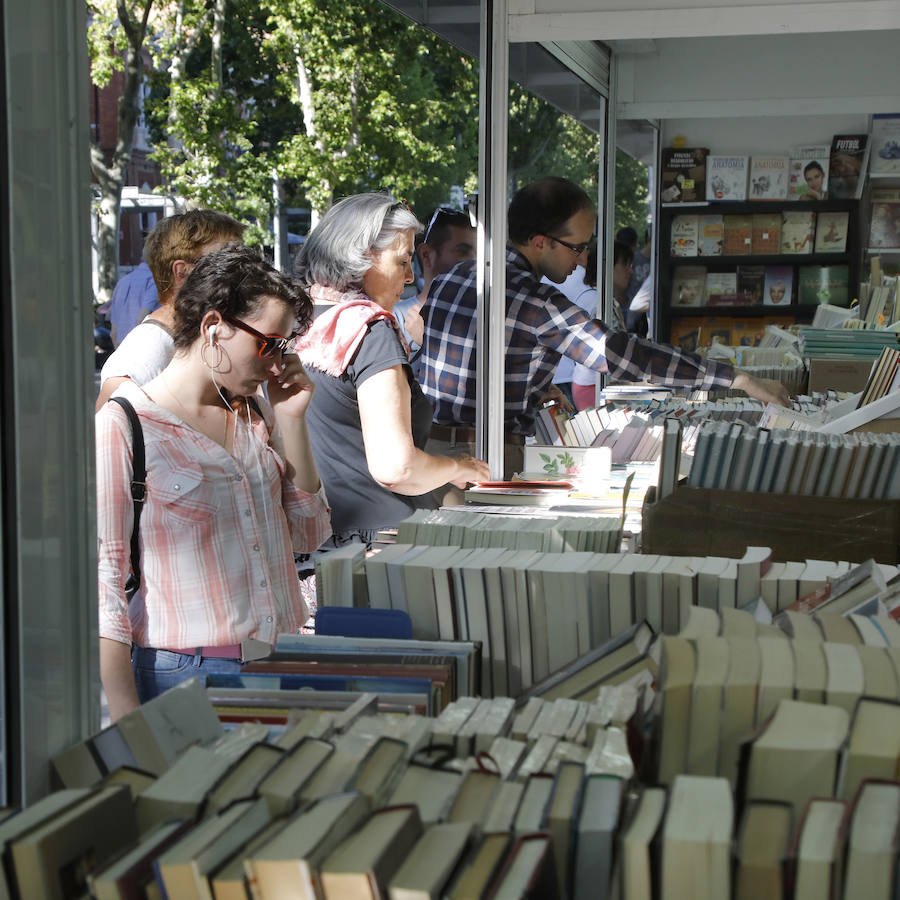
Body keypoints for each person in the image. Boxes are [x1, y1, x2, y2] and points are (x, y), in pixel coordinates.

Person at [97, 246, 331, 721]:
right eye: (268, 344)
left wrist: (293, 420)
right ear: (213, 327)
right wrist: (126, 718)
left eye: (284, 349)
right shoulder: (125, 424)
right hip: (186, 673)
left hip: (279, 658)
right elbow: (104, 584)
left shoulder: (254, 414)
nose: (275, 364)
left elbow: (309, 535)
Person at [420, 176, 791, 473]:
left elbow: (454, 364)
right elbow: (626, 355)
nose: (582, 262)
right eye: (577, 248)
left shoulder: (453, 278)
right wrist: (738, 379)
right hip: (484, 458)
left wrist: (529, 386)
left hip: (433, 452)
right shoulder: (536, 302)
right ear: (538, 242)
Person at [294, 193, 489, 550]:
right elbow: (396, 468)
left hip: (322, 540)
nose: (411, 275)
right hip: (385, 544)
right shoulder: (369, 331)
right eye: (402, 261)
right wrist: (458, 467)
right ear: (362, 257)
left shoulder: (299, 322)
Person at [96, 209, 245, 411]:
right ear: (181, 272)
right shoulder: (143, 356)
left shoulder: (206, 339)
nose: (244, 273)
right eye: (226, 263)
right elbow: (110, 433)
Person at [393, 204, 477, 359]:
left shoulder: (481, 316)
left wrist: (425, 341)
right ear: (426, 255)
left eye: (477, 253)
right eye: (463, 252)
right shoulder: (395, 318)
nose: (475, 261)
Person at [109, 259, 159, 346]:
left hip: (122, 352)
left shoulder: (122, 282)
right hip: (144, 350)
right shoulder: (155, 281)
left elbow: (113, 333)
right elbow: (142, 317)